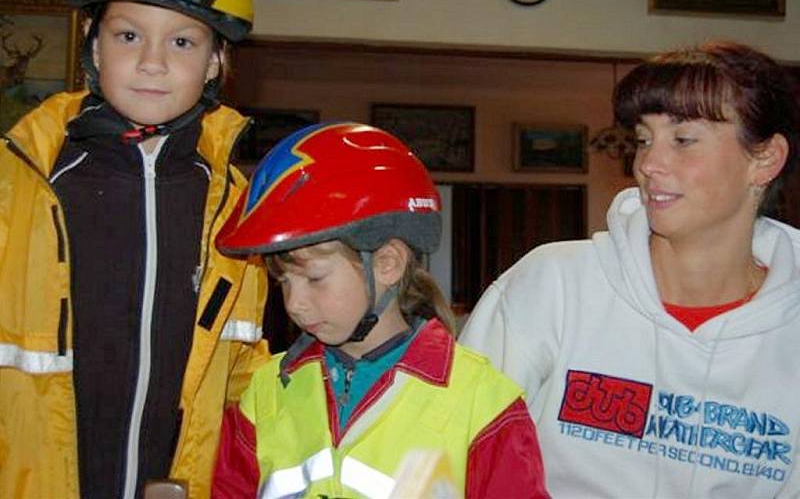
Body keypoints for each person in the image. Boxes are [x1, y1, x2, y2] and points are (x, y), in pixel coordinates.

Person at [0, 0, 269, 499]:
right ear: (93, 44)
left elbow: (244, 375)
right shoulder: (18, 181)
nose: (153, 62)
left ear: (216, 61)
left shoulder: (234, 204)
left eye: (181, 41)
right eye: (129, 35)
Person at [460, 41, 800, 497]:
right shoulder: (554, 286)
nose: (647, 164)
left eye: (683, 140)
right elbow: (453, 452)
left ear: (765, 160)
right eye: (644, 139)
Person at [211, 122, 550, 498]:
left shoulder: (482, 403)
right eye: (284, 283)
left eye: (315, 278)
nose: (294, 303)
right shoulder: (266, 393)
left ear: (387, 263)